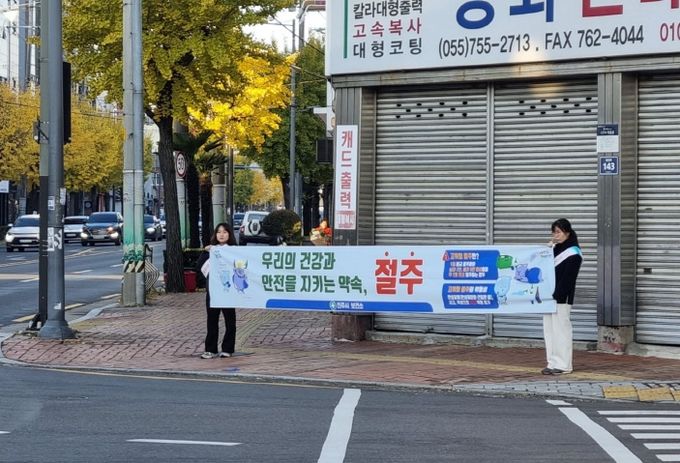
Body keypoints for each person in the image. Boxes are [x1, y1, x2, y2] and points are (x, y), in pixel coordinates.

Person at [542, 218, 582, 375]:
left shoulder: (573, 253)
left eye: (558, 232)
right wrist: (546, 250)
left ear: (567, 233)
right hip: (548, 298)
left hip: (561, 298)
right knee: (549, 331)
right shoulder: (554, 249)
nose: (555, 235)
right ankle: (552, 362)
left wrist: (558, 294)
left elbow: (569, 278)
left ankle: (564, 365)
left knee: (561, 331)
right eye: (553, 232)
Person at [196, 222, 237, 359]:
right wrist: (206, 252)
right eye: (219, 232)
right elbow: (200, 267)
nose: (221, 235)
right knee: (212, 320)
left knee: (230, 320)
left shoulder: (234, 250)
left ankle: (228, 348)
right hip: (213, 291)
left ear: (229, 234)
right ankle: (210, 349)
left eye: (225, 232)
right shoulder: (210, 250)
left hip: (228, 291)